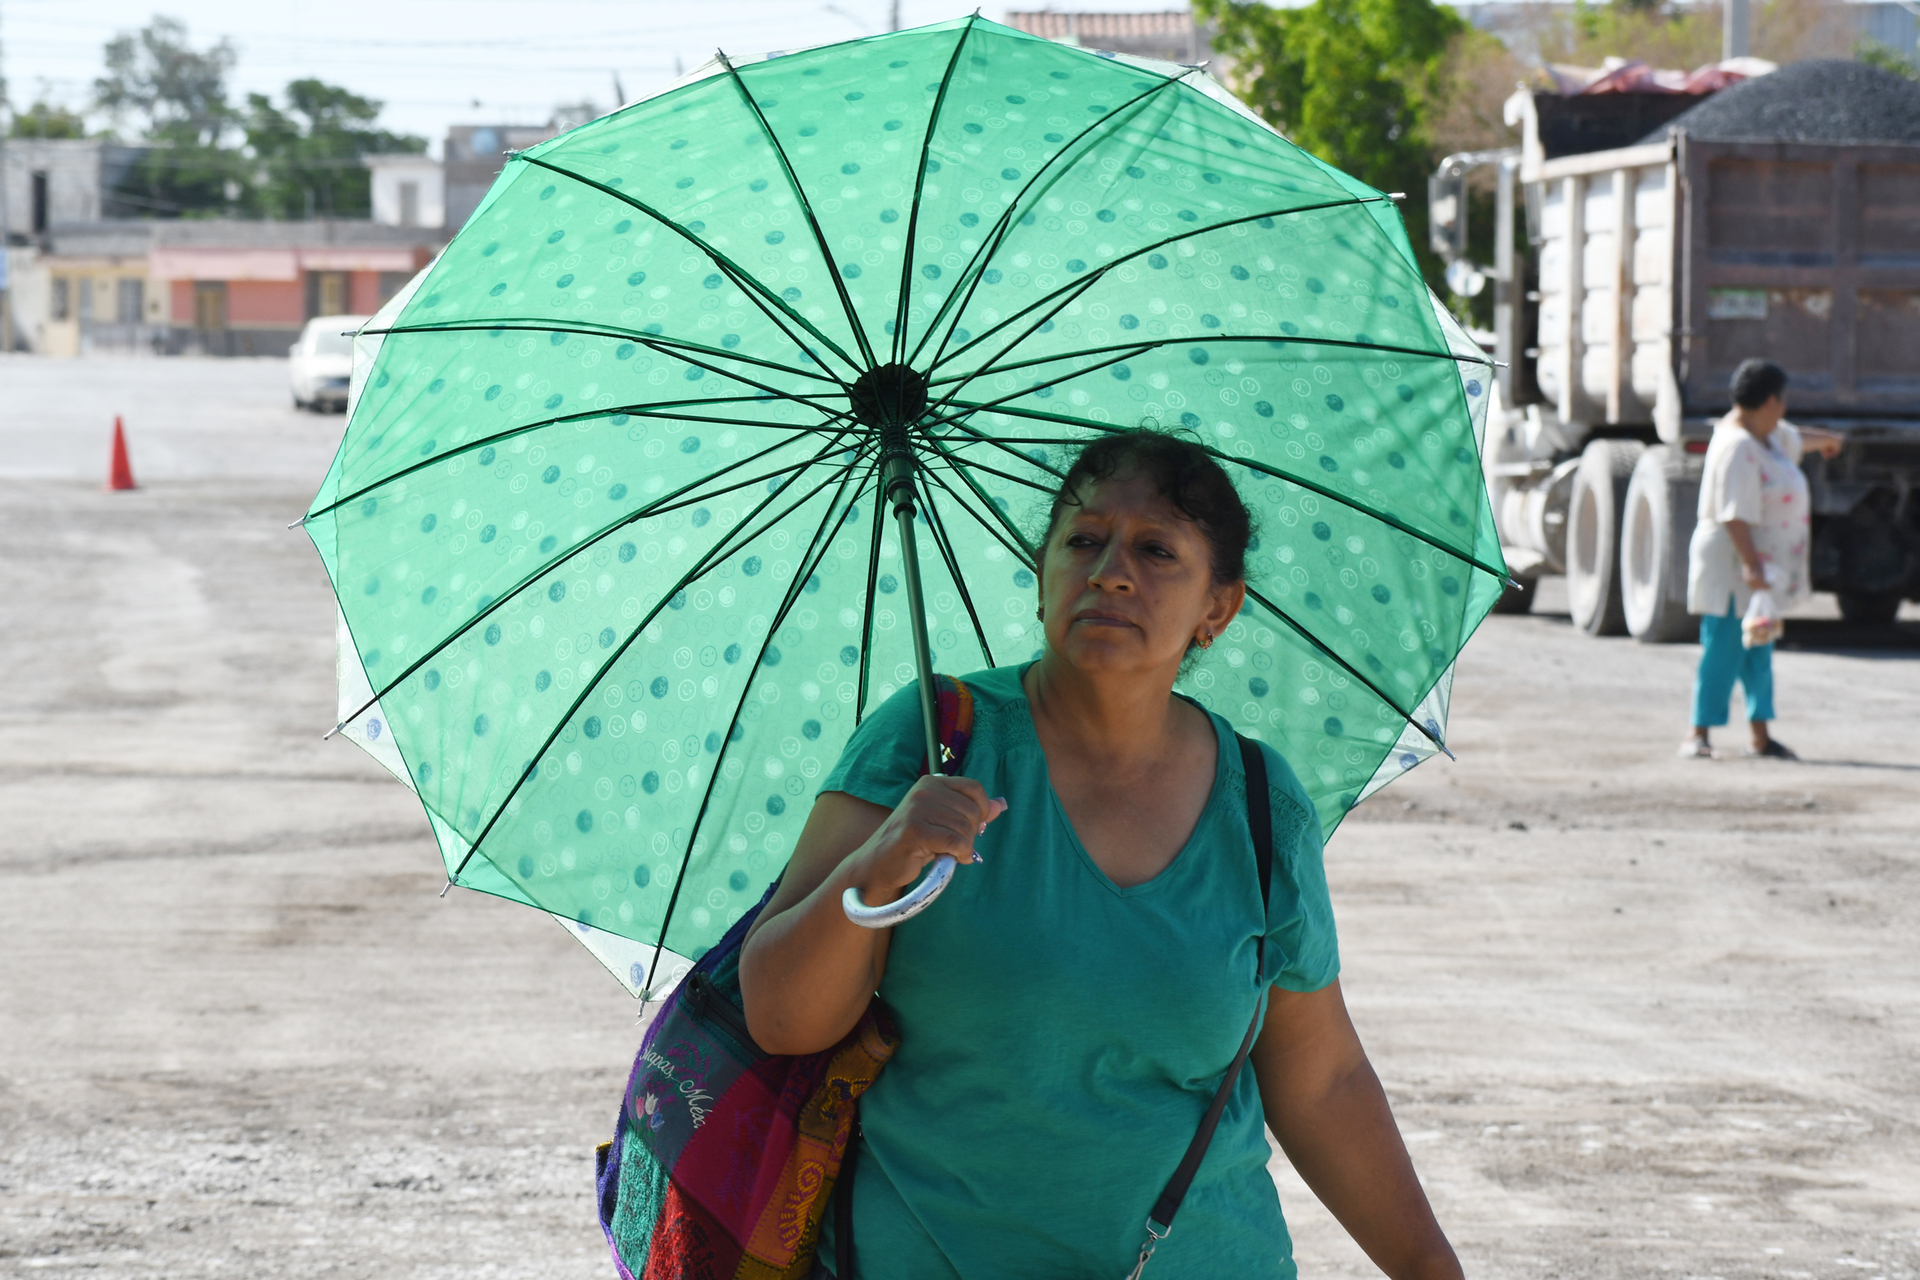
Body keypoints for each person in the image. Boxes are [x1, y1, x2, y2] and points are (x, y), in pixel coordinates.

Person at [738, 430, 1463, 1279]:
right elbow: (782, 1018)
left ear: (1218, 608)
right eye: (1082, 541)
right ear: (1043, 573)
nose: (1110, 570)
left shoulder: (1263, 803)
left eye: (1156, 550)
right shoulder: (932, 743)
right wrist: (883, 862)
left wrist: (1429, 1268)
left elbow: (1322, 1080)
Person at [1681, 359, 1842, 760]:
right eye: (1783, 401)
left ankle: (1760, 735)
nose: (1784, 410)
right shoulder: (1737, 447)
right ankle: (1697, 733)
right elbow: (1733, 514)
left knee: (1758, 644)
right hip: (1736, 562)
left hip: (1758, 565)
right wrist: (1752, 566)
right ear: (1771, 401)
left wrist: (1826, 439)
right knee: (1723, 647)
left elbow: (1793, 437)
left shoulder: (1763, 435)